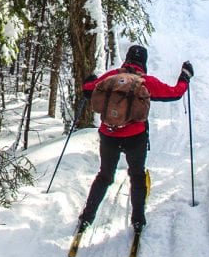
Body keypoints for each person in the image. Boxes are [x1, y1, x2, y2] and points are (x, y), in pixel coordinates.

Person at [76, 44, 189, 235]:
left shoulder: (112, 76)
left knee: (104, 176)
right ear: (143, 62)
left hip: (109, 135)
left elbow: (88, 89)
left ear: (126, 59)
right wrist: (185, 77)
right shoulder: (146, 81)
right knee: (137, 176)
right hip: (135, 137)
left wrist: (90, 80)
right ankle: (138, 220)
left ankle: (87, 217)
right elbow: (175, 93)